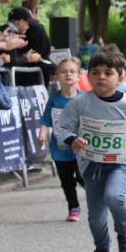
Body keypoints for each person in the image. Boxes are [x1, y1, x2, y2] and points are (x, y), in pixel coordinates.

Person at [55, 49, 126, 252]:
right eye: (95, 72)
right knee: (96, 216)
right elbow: (62, 127)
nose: (101, 77)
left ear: (120, 77)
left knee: (114, 195)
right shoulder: (80, 104)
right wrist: (73, 139)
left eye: (108, 73)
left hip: (124, 161)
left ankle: (125, 235)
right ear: (88, 76)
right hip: (92, 165)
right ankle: (102, 250)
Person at [39, 57, 85, 222]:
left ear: (79, 76)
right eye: (64, 72)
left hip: (81, 149)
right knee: (67, 182)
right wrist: (42, 133)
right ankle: (74, 208)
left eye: (72, 71)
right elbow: (46, 120)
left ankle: (97, 199)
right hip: (59, 149)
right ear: (56, 76)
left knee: (82, 177)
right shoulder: (54, 99)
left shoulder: (84, 99)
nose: (68, 74)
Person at [19, 0, 53, 85]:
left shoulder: (14, 27)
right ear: (36, 10)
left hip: (17, 76)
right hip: (36, 78)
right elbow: (43, 54)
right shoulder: (37, 29)